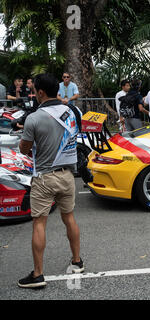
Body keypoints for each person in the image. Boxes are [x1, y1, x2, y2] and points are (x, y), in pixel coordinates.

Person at [17, 73, 84, 289]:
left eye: (35, 90)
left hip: (44, 177)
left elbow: (24, 149)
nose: (34, 94)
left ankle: (38, 274)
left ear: (41, 92)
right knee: (69, 217)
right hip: (67, 175)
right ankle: (77, 260)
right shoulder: (71, 111)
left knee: (39, 222)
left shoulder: (34, 118)